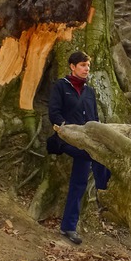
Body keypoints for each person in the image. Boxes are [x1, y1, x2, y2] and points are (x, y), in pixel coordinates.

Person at [47, 51, 109, 245]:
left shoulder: (89, 92)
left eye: (88, 66)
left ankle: (68, 227)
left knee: (81, 180)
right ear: (72, 66)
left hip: (87, 142)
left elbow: (95, 119)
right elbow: (54, 113)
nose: (86, 69)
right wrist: (66, 129)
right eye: (83, 65)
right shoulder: (61, 86)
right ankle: (103, 191)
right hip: (66, 139)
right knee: (91, 156)